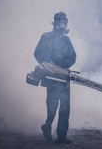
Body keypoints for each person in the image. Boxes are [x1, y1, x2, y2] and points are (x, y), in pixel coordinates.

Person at [34, 11, 76, 144]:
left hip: (63, 77)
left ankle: (61, 137)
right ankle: (47, 125)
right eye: (61, 21)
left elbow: (73, 57)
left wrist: (61, 65)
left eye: (65, 22)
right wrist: (48, 63)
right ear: (55, 22)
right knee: (52, 106)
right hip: (50, 77)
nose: (63, 24)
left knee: (64, 107)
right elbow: (37, 53)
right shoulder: (45, 37)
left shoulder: (66, 39)